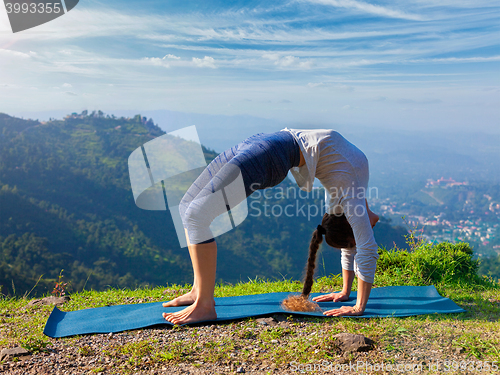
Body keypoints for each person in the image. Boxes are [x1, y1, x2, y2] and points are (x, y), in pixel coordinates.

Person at [162, 128, 379, 325]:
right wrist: (355, 303)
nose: (371, 226)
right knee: (187, 208)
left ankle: (203, 301)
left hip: (270, 147)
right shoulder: (349, 195)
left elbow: (355, 244)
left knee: (195, 214)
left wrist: (349, 295)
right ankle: (200, 295)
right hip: (266, 147)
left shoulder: (347, 196)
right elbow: (365, 247)